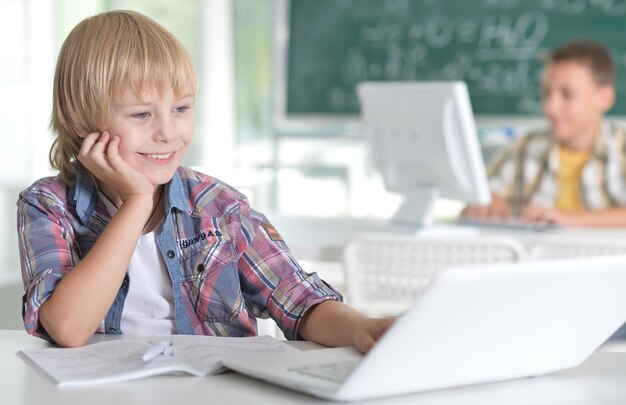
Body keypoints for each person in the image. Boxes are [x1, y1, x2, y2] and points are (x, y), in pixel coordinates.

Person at [16, 10, 394, 351]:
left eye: (181, 108)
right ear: (83, 123)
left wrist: (363, 326)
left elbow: (297, 299)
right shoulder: (49, 206)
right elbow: (67, 327)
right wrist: (136, 203)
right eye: (142, 114)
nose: (168, 132)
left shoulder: (219, 207)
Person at [464, 39, 626, 227]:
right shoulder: (524, 148)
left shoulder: (621, 149)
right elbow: (482, 196)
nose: (551, 107)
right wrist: (487, 203)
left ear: (604, 98)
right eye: (547, 93)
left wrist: (570, 219)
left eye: (567, 94)